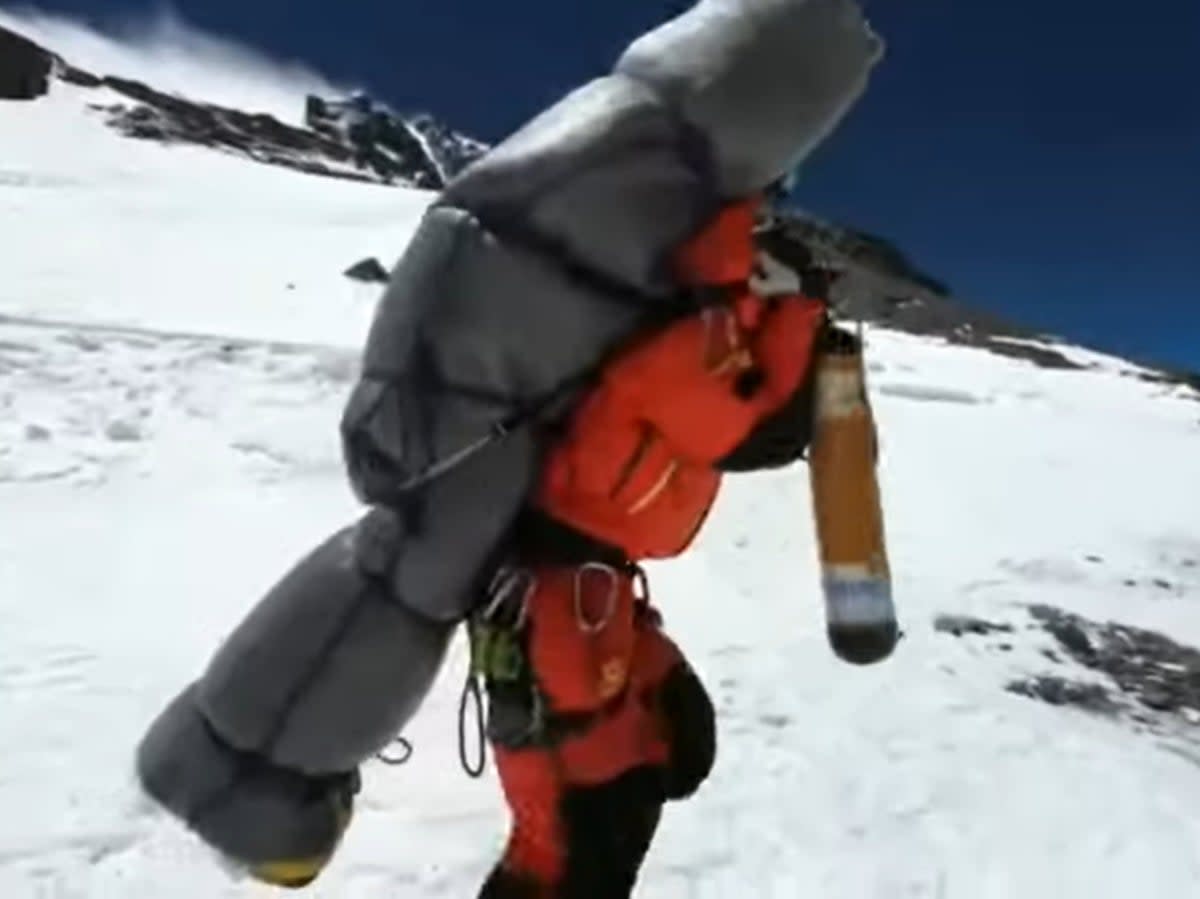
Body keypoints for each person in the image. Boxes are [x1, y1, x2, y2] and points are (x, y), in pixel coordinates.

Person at [134, 2, 884, 894]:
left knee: (622, 749)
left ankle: (252, 785)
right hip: (551, 572)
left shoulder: (612, 180)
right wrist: (791, 310)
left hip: (548, 541)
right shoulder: (662, 232)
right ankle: (253, 794)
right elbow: (740, 418)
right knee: (574, 834)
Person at [473, 195, 837, 897]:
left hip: (594, 585)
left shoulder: (697, 310)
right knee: (568, 843)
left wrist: (661, 671)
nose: (774, 225)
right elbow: (762, 432)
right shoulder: (666, 320)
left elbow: (761, 394)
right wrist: (799, 309)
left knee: (612, 815)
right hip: (552, 593)